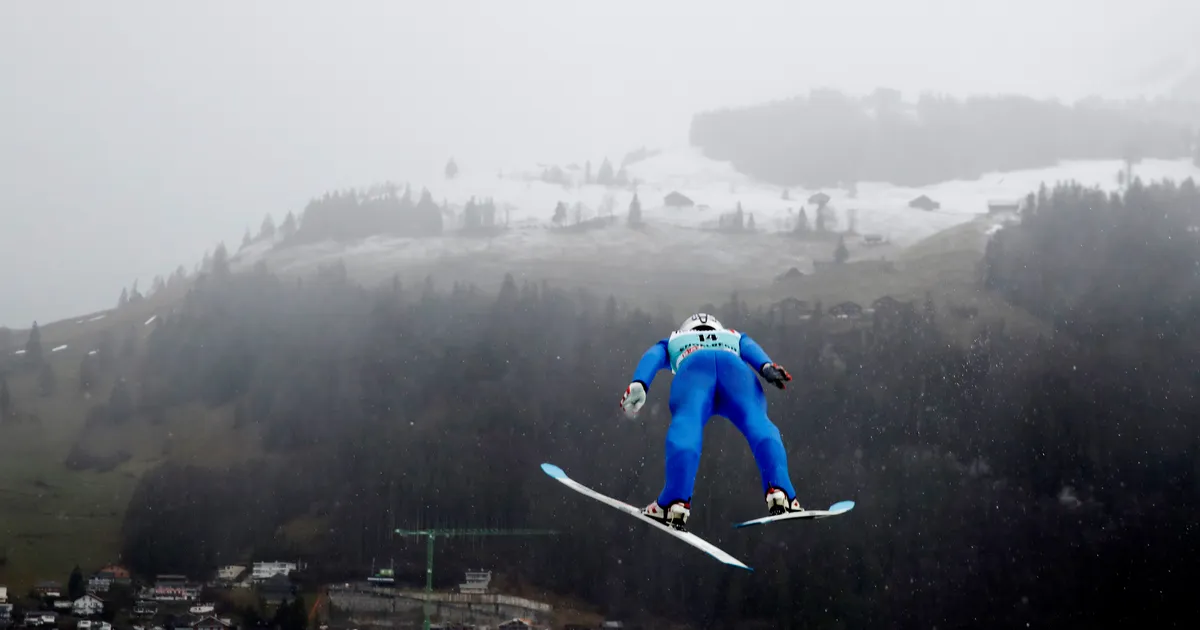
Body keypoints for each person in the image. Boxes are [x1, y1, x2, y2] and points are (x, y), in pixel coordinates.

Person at [620, 312, 801, 530]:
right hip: (735, 369)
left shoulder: (676, 339)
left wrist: (640, 383)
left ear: (688, 329)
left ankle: (674, 502)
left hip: (694, 367)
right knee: (758, 423)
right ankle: (781, 492)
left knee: (687, 425)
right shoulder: (732, 335)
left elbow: (653, 356)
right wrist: (766, 367)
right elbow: (751, 347)